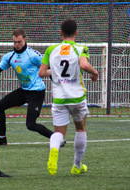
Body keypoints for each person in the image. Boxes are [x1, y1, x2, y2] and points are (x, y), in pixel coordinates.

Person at [38, 19, 99, 175]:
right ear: (76, 33)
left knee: (59, 134)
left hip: (59, 98)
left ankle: (53, 150)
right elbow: (84, 65)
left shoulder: (51, 49)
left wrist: (56, 73)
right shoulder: (81, 48)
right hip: (77, 98)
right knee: (80, 129)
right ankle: (77, 166)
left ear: (61, 33)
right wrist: (95, 73)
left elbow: (41, 73)